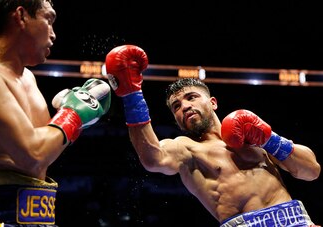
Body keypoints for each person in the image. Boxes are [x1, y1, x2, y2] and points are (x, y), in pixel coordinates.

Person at [105, 44, 321, 226]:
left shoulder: (251, 133)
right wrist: (132, 95)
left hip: (297, 220)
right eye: (176, 106)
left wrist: (269, 139)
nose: (185, 106)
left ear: (213, 102)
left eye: (191, 97)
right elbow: (153, 158)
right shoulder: (186, 149)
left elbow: (311, 171)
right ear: (176, 120)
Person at [0, 0, 111, 226]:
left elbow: (45, 155)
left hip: (35, 218)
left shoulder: (27, 78)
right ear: (21, 16)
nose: (53, 34)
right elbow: (33, 154)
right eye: (49, 20)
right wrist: (73, 115)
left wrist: (76, 122)